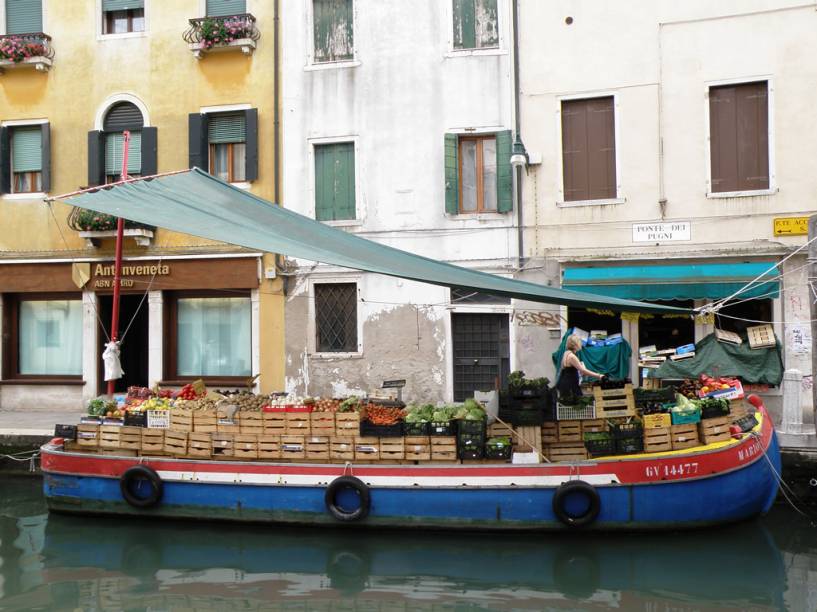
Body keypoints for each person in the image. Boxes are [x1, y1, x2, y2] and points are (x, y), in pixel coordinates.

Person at [556, 334, 605, 400]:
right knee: (576, 406)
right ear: (576, 344)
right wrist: (599, 376)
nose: (581, 344)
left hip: (565, 384)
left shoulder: (566, 353)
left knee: (568, 407)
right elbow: (583, 371)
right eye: (579, 342)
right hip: (571, 386)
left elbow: (569, 369)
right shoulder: (572, 357)